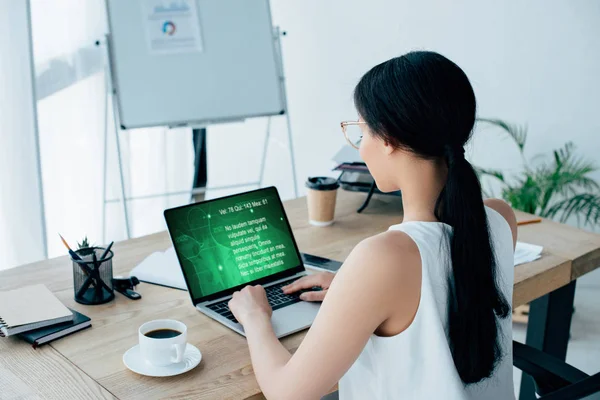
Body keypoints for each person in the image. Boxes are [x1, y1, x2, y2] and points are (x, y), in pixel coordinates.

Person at [228, 51, 517, 400]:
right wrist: (356, 291)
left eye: (362, 131)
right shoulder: (501, 218)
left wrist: (256, 317)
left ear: (389, 139)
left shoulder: (384, 257)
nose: (360, 147)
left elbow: (286, 393)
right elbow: (438, 292)